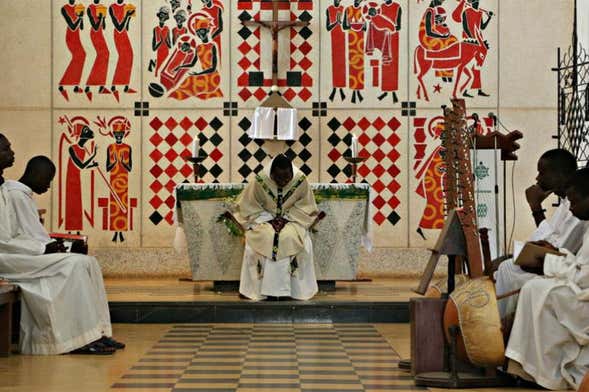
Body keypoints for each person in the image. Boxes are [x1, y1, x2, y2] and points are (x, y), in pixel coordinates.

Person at [0, 140, 124, 355]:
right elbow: (4, 239)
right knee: (74, 266)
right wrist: (43, 249)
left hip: (21, 253)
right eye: (5, 148)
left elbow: (25, 234)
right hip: (8, 257)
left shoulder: (9, 189)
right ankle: (75, 340)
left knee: (88, 262)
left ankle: (97, 332)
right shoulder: (10, 192)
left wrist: (55, 246)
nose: (12, 152)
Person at [505, 168, 589, 390]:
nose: (571, 207)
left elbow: (583, 277)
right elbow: (580, 265)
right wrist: (556, 257)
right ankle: (529, 368)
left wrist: (549, 263)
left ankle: (547, 372)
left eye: (576, 202)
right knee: (535, 288)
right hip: (579, 286)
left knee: (540, 291)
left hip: (584, 296)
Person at [495, 149, 585, 317]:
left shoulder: (579, 210)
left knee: (507, 269)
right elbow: (545, 239)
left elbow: (555, 249)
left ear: (562, 174)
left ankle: (503, 326)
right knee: (504, 266)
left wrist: (536, 208)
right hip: (554, 267)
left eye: (542, 173)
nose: (537, 178)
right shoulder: (567, 203)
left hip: (563, 275)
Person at [235, 154, 319, 301]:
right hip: (264, 220)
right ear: (271, 174)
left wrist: (286, 218)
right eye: (278, 178)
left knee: (289, 238)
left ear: (292, 174)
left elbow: (307, 206)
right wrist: (269, 219)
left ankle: (293, 291)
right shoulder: (260, 180)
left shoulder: (300, 180)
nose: (283, 182)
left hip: (293, 220)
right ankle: (258, 291)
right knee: (265, 238)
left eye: (287, 178)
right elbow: (250, 206)